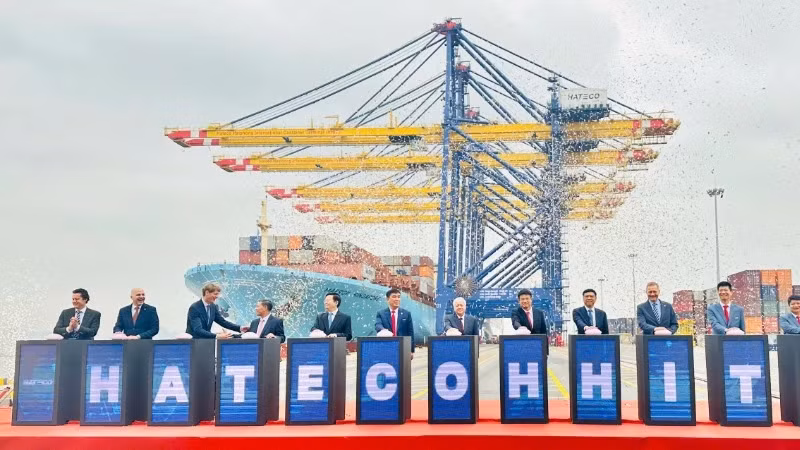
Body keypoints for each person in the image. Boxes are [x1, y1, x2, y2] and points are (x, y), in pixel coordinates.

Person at [375, 288, 415, 358]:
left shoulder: (406, 314)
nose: (397, 299)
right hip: (387, 347)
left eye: (398, 297)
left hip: (402, 347)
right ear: (387, 299)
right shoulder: (381, 313)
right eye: (394, 297)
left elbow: (410, 332)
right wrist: (383, 330)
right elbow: (378, 324)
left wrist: (411, 350)